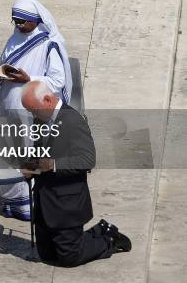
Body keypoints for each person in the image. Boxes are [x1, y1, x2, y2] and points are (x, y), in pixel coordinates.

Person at [0, 0, 73, 236]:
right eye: (15, 21)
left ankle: (29, 202)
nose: (19, 25)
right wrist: (1, 76)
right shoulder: (14, 38)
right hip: (9, 105)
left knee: (27, 155)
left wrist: (28, 80)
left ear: (35, 21)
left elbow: (57, 81)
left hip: (32, 109)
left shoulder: (50, 44)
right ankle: (13, 202)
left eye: (23, 22)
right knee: (8, 153)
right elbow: (6, 62)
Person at [21, 81, 131, 267]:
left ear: (47, 99)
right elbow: (39, 150)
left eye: (34, 110)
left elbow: (87, 160)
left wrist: (53, 164)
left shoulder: (72, 121)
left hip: (66, 202)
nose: (33, 115)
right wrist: (32, 165)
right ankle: (98, 230)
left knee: (68, 257)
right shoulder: (41, 119)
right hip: (45, 200)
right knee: (47, 255)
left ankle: (108, 240)